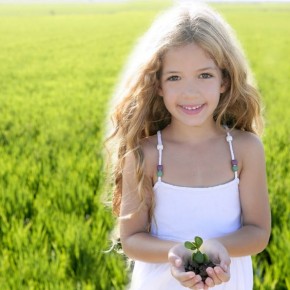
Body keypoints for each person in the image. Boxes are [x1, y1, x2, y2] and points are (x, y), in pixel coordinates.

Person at [106, 3, 271, 290]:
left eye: (204, 75)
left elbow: (258, 232)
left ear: (224, 80)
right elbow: (131, 239)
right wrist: (176, 252)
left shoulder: (244, 150)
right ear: (158, 85)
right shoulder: (144, 154)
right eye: (174, 77)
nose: (190, 92)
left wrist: (217, 248)